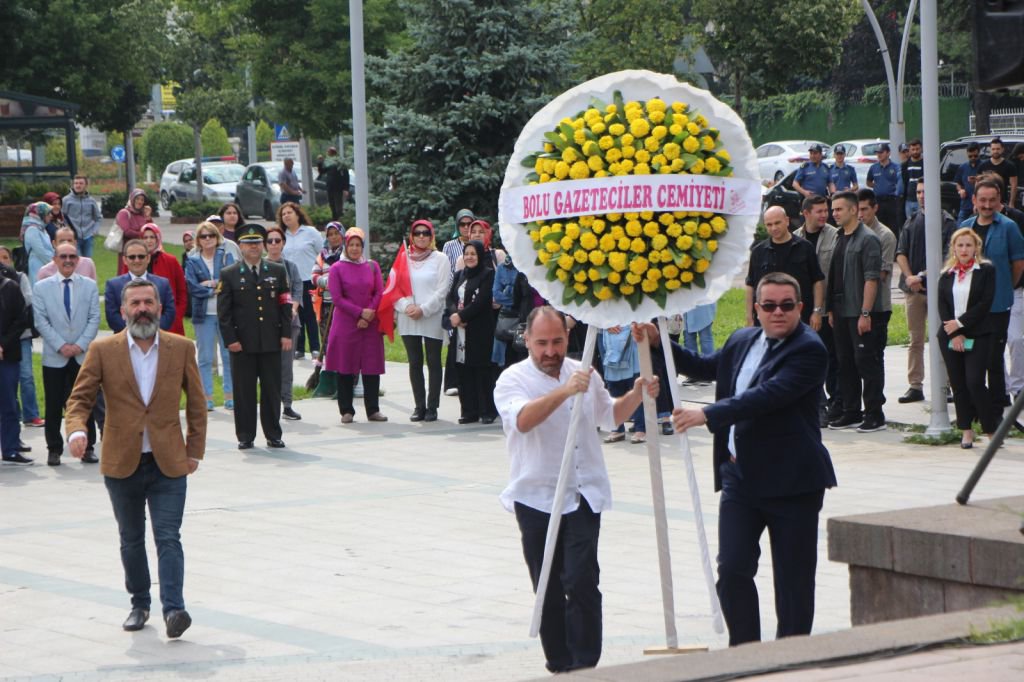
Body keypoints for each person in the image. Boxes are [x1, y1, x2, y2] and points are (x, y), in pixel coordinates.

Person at [666, 272, 837, 647]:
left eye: (787, 306)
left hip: (793, 483)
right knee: (731, 569)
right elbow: (703, 367)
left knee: (792, 582)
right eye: (770, 305)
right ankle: (745, 653)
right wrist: (658, 342)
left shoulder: (809, 349)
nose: (778, 312)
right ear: (756, 308)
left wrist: (707, 414)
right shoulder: (742, 339)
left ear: (800, 308)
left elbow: (767, 396)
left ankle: (790, 659)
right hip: (740, 479)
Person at [495, 307, 656, 673]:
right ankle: (560, 661)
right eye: (542, 343)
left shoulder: (583, 370)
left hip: (583, 493)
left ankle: (585, 664)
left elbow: (609, 416)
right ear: (527, 341)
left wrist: (635, 394)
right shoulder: (512, 380)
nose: (550, 351)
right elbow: (522, 421)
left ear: (568, 338)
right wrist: (565, 391)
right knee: (548, 585)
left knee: (582, 578)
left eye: (557, 342)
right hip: (536, 496)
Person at [64, 278, 207, 638]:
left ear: (160, 308)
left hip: (169, 462)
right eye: (135, 303)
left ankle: (175, 609)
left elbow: (198, 404)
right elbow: (79, 399)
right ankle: (139, 603)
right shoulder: (103, 350)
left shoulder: (180, 347)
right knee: (131, 538)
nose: (142, 309)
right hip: (121, 460)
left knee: (168, 537)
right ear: (123, 310)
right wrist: (77, 430)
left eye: (148, 302)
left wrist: (194, 452)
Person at [217, 224, 293, 449]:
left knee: (271, 390)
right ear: (240, 246)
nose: (254, 247)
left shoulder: (277, 270)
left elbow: (285, 305)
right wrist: (231, 340)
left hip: (271, 341)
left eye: (257, 243)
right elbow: (224, 313)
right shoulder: (229, 274)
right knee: (244, 392)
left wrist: (286, 334)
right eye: (248, 243)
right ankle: (245, 435)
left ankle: (273, 434)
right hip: (242, 344)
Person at [32, 243, 101, 465]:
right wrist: (61, 345)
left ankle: (88, 447)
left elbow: (94, 318)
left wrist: (79, 345)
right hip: (55, 356)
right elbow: (40, 321)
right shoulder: (42, 287)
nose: (68, 260)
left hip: (82, 356)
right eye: (63, 256)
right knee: (53, 405)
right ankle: (54, 448)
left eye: (72, 256)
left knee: (85, 403)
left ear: (78, 259)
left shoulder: (89, 286)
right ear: (55, 259)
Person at [959, 177, 1024, 412]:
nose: (987, 205)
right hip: (969, 307)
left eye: (992, 200)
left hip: (997, 305)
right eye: (983, 200)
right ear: (974, 200)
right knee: (971, 357)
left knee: (993, 359)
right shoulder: (965, 227)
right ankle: (976, 409)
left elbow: (1018, 263)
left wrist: (1006, 286)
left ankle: (997, 408)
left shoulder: (1008, 227)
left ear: (1000, 201)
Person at [824, 191, 886, 433]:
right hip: (840, 312)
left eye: (839, 209)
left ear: (853, 210)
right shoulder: (839, 237)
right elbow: (834, 276)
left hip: (860, 312)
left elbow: (872, 279)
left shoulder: (868, 239)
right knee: (845, 362)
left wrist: (866, 313)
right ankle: (851, 411)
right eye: (833, 210)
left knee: (866, 362)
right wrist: (830, 309)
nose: (834, 214)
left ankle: (874, 413)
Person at [894, 181, 958, 403]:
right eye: (919, 192)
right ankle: (915, 385)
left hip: (940, 291)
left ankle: (947, 384)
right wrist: (911, 278)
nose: (921, 196)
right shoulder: (911, 221)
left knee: (943, 337)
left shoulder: (948, 222)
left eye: (925, 192)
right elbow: (900, 253)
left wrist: (922, 276)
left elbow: (948, 257)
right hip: (914, 292)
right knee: (915, 340)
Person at [937, 228, 998, 449]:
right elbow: (942, 305)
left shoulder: (986, 270)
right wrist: (954, 332)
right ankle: (966, 430)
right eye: (960, 245)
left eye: (968, 245)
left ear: (976, 248)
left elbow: (985, 303)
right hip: (950, 335)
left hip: (978, 332)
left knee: (975, 382)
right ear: (953, 248)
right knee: (958, 384)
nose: (964, 249)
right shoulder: (947, 274)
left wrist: (961, 324)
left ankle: (991, 430)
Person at [323, 227, 386, 423]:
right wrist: (359, 313)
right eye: (351, 245)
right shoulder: (337, 268)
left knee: (371, 366)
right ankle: (346, 410)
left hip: (370, 323)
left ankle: (373, 410)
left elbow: (378, 292)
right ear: (345, 246)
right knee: (345, 367)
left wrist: (368, 315)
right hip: (346, 323)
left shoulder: (372, 266)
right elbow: (337, 298)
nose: (355, 248)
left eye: (358, 245)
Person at [396, 220, 451, 422]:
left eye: (425, 233)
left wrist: (424, 309)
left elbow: (442, 290)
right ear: (412, 235)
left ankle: (432, 406)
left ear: (431, 236)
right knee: (415, 362)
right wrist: (406, 307)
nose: (421, 236)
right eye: (417, 233)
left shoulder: (440, 258)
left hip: (431, 316)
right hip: (408, 316)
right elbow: (394, 288)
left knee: (434, 361)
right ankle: (419, 406)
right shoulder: (403, 257)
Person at [794, 195, 842, 422]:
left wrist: (822, 308)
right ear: (806, 213)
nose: (825, 214)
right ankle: (817, 404)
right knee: (806, 359)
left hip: (826, 309)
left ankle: (834, 403)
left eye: (826, 210)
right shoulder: (795, 239)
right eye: (819, 211)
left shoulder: (835, 235)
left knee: (830, 357)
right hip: (801, 310)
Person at [185, 224, 235, 412]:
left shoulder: (225, 256)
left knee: (228, 355)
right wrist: (211, 290)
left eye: (211, 235)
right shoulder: (193, 260)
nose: (208, 239)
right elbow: (192, 287)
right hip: (203, 315)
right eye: (203, 236)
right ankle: (207, 397)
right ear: (198, 240)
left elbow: (229, 282)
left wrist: (210, 284)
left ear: (217, 237)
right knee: (205, 358)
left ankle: (230, 396)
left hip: (225, 314)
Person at [746, 205, 824, 327]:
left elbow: (817, 281)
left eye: (777, 223)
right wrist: (749, 315)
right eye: (769, 225)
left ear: (787, 221)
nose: (774, 228)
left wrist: (817, 311)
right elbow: (750, 285)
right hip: (767, 317)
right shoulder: (758, 252)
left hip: (801, 317)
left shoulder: (805, 247)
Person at [447, 240, 498, 424]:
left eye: (473, 254)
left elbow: (482, 301)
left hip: (480, 330)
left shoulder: (488, 274)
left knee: (482, 371)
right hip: (460, 332)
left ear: (480, 255)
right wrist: (454, 314)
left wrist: (461, 316)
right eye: (466, 253)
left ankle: (487, 411)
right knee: (464, 370)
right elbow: (451, 297)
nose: (469, 257)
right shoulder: (460, 274)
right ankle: (469, 411)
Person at [0, 246, 43, 429]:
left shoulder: (19, 277)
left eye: (5, 257)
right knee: (8, 384)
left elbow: (26, 304)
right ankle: (14, 417)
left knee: (25, 376)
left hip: (21, 335)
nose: (2, 261)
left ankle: (31, 414)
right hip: (4, 340)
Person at [264, 225, 303, 421]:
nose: (273, 244)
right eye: (270, 241)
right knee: (268, 367)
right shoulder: (260, 267)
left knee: (286, 366)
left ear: (283, 243)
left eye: (277, 241)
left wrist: (293, 309)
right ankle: (270, 404)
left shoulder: (290, 267)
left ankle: (287, 404)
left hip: (289, 323)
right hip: (266, 326)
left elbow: (297, 290)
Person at [858, 189, 897, 374]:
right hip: (855, 304)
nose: (860, 214)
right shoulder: (850, 231)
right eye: (857, 209)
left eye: (865, 209)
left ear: (875, 208)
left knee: (874, 356)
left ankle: (875, 401)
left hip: (879, 306)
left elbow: (881, 274)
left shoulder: (885, 236)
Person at [278, 202, 322, 360]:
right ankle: (300, 348)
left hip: (309, 280)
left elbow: (321, 252)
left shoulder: (310, 232)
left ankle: (315, 347)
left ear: (298, 214)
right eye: (283, 214)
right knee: (295, 314)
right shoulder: (282, 235)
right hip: (290, 282)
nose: (286, 216)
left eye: (289, 212)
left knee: (310, 314)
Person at [105, 240, 176, 334]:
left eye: (141, 256)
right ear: (125, 260)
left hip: (157, 339)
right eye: (132, 257)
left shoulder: (163, 284)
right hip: (125, 342)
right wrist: (135, 332)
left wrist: (151, 331)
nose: (137, 260)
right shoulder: (113, 285)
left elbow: (169, 313)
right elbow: (112, 316)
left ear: (148, 258)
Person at [442, 209, 475, 396]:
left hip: (473, 296)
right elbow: (447, 273)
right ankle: (451, 382)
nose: (465, 228)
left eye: (469, 224)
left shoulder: (477, 245)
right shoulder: (450, 246)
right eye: (462, 224)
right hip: (455, 295)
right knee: (454, 341)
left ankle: (468, 382)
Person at [0, 265, 29, 464]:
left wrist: (3, 344)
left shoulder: (10, 287)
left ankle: (10, 448)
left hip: (7, 355)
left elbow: (21, 319)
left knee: (9, 403)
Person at [599, 325, 645, 444]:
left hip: (630, 337)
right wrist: (605, 323)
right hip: (609, 340)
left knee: (635, 388)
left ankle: (640, 428)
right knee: (614, 389)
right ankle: (617, 428)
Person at [141, 224, 188, 336]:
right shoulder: (134, 260)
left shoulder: (171, 261)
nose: (149, 241)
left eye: (152, 237)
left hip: (169, 319)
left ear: (158, 238)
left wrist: (177, 315)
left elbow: (182, 290)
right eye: (145, 237)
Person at [866, 143, 903, 240]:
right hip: (878, 201)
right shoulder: (874, 167)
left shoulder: (895, 167)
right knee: (879, 226)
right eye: (877, 153)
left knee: (893, 226)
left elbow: (899, 181)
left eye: (881, 152)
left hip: (891, 201)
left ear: (888, 153)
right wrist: (877, 186)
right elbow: (869, 182)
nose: (879, 155)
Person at [62, 175, 102, 257]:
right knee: (78, 262)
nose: (78, 185)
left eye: (81, 183)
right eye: (76, 183)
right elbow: (62, 217)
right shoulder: (66, 200)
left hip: (88, 237)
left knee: (87, 262)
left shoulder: (91, 201)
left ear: (86, 185)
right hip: (74, 237)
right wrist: (68, 230)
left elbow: (98, 218)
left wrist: (94, 231)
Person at [115, 189, 151, 274]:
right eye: (137, 199)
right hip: (128, 249)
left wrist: (148, 217)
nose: (140, 201)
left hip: (142, 249)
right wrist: (142, 235)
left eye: (142, 200)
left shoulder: (143, 214)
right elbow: (127, 231)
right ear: (132, 199)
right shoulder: (124, 213)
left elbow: (150, 229)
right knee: (126, 273)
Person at [978, 137, 1018, 208]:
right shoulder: (983, 166)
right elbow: (977, 184)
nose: (995, 151)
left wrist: (1011, 203)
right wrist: (977, 203)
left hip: (1003, 202)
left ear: (1002, 149)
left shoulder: (1010, 166)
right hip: (986, 202)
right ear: (990, 150)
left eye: (998, 149)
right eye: (993, 149)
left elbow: (1014, 185)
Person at [22, 202, 54, 282]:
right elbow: (40, 251)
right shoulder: (32, 229)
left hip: (46, 265)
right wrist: (56, 263)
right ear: (40, 214)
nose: (51, 216)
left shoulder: (42, 229)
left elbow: (49, 249)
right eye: (48, 213)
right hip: (37, 266)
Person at [318, 147, 350, 220]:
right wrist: (320, 163)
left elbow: (346, 175)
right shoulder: (328, 163)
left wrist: (346, 188)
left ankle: (340, 220)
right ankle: (334, 220)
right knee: (332, 205)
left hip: (338, 188)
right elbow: (322, 171)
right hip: (330, 187)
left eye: (329, 153)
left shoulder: (339, 163)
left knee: (338, 207)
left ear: (333, 153)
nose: (328, 154)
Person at [955, 143, 983, 223]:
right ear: (967, 154)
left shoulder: (984, 165)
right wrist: (960, 190)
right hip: (966, 205)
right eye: (970, 156)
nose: (973, 158)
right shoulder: (963, 167)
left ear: (979, 153)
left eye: (975, 156)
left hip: (980, 204)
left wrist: (979, 179)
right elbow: (958, 183)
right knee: (960, 228)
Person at [901, 138, 925, 218]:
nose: (915, 151)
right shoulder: (905, 165)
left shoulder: (925, 163)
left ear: (921, 149)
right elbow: (905, 182)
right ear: (909, 150)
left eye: (917, 149)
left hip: (922, 199)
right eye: (913, 149)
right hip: (909, 200)